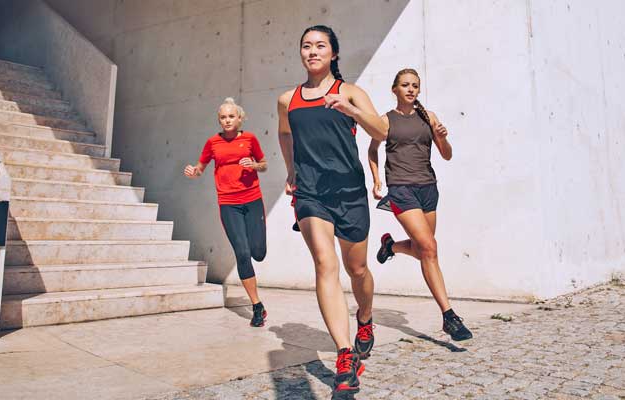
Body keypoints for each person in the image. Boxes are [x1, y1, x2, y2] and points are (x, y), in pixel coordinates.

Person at [277, 25, 388, 396]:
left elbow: (383, 130)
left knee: (357, 270)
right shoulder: (287, 99)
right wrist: (291, 170)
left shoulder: (350, 91)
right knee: (326, 264)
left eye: (320, 46)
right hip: (311, 194)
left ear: (333, 54)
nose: (312, 51)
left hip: (350, 192)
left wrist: (351, 109)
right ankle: (344, 354)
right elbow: (285, 134)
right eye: (306, 45)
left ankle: (366, 319)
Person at [367, 68, 473, 342]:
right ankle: (449, 315)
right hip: (401, 189)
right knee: (429, 248)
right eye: (405, 85)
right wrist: (377, 179)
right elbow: (372, 149)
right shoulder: (385, 120)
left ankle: (391, 246)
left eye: (415, 85)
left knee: (423, 249)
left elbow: (446, 155)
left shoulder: (429, 117)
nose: (411, 89)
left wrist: (443, 136)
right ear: (395, 89)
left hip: (428, 188)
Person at [184, 98, 269, 327]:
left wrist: (254, 166)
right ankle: (257, 306)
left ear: (239, 118)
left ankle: (256, 257)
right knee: (242, 253)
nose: (227, 120)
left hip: (252, 200)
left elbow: (264, 164)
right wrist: (194, 172)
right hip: (228, 203)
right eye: (223, 117)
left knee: (258, 252)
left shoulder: (250, 139)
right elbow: (200, 168)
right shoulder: (212, 143)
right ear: (219, 120)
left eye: (231, 116)